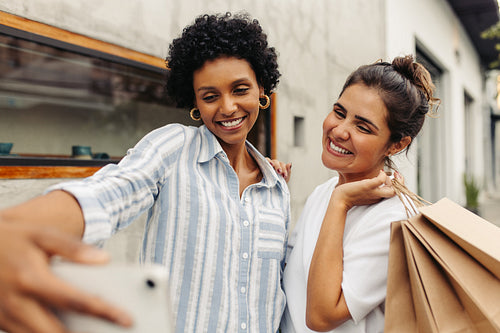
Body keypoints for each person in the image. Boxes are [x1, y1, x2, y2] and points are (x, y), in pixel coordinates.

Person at [0, 12, 292, 333]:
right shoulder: (174, 147)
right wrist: (18, 228)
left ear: (261, 89)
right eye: (210, 96)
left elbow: (278, 293)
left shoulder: (277, 187)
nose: (227, 107)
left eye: (240, 89)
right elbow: (111, 192)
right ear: (194, 102)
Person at [279, 55, 439, 333]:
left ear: (396, 145)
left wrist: (340, 203)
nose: (339, 130)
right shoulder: (323, 192)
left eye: (363, 127)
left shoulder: (394, 220)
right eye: (339, 112)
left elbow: (321, 317)